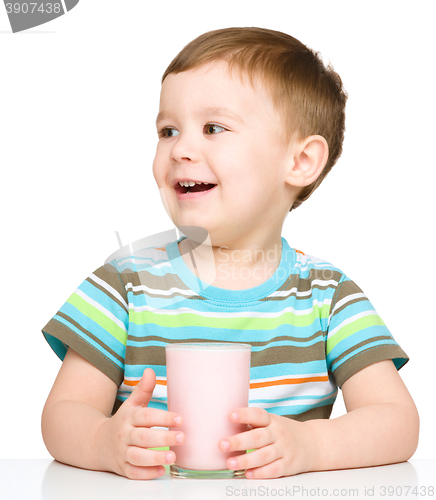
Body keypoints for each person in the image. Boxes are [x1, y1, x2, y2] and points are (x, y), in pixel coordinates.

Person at [41, 27, 419, 480]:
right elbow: (62, 414)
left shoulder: (327, 296)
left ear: (299, 161)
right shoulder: (125, 284)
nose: (180, 149)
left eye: (213, 128)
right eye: (168, 130)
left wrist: (310, 445)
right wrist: (103, 442)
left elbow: (398, 422)